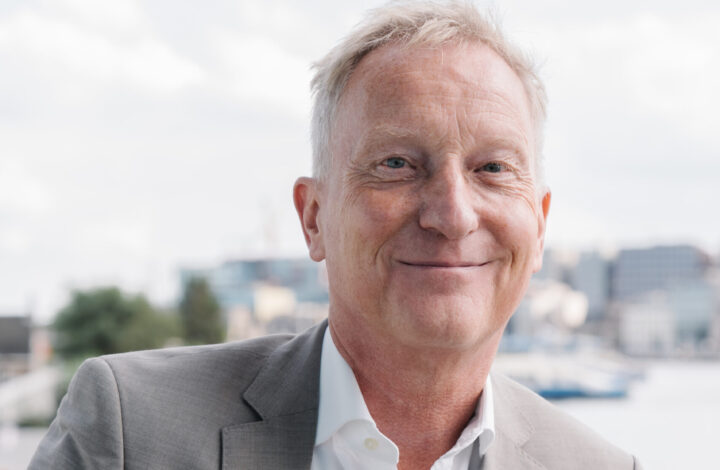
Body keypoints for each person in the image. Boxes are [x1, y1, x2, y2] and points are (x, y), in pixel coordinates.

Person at [30, 2, 641, 469]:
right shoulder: (132, 431)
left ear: (540, 226)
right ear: (313, 217)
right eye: (397, 164)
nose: (453, 215)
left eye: (493, 169)